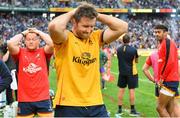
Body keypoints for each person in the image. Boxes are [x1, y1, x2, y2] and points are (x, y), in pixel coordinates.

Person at [48, 3, 128, 117]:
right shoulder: (65, 38)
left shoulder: (96, 37)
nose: (89, 30)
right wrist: (73, 12)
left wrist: (96, 14)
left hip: (96, 103)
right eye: (85, 26)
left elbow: (123, 27)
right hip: (68, 105)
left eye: (92, 26)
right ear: (74, 22)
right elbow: (54, 26)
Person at [7, 28, 54, 117]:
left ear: (39, 41)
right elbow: (10, 43)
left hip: (43, 98)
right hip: (25, 100)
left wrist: (39, 32)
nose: (31, 42)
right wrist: (23, 33)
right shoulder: (19, 52)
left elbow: (51, 43)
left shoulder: (43, 52)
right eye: (28, 39)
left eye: (33, 39)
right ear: (24, 41)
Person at [142, 50, 180, 117]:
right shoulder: (172, 53)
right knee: (175, 105)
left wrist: (154, 80)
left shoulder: (153, 54)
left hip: (160, 83)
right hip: (172, 82)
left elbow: (144, 69)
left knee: (161, 108)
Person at [154, 24, 179, 117]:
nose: (156, 34)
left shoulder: (168, 43)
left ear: (165, 33)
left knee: (160, 108)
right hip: (170, 80)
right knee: (169, 109)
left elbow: (170, 62)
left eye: (159, 32)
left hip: (169, 80)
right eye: (155, 32)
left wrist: (162, 78)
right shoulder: (162, 44)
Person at [116, 34, 139, 117]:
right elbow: (136, 61)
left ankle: (119, 109)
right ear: (129, 40)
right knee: (131, 91)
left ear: (123, 41)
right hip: (131, 72)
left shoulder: (118, 49)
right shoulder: (133, 49)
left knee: (121, 90)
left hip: (122, 72)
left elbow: (119, 59)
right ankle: (132, 110)